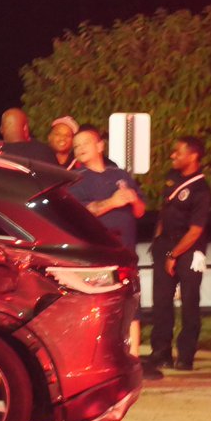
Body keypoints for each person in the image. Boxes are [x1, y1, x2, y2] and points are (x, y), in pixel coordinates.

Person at [65, 125, 152, 375]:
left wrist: (133, 199)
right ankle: (101, 359)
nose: (80, 149)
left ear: (100, 145)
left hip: (127, 250)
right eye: (76, 146)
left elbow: (140, 210)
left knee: (132, 301)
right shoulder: (76, 178)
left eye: (85, 143)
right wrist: (112, 202)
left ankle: (133, 358)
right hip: (99, 254)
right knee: (103, 304)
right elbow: (81, 212)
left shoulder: (119, 173)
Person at [148, 135, 211, 372]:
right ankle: (160, 351)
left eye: (178, 152)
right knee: (161, 301)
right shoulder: (171, 178)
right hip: (166, 244)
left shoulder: (201, 190)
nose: (172, 155)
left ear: (193, 155)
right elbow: (165, 211)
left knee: (189, 302)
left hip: (188, 249)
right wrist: (158, 240)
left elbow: (195, 231)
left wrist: (173, 255)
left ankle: (186, 355)